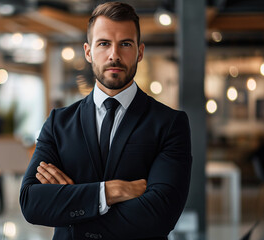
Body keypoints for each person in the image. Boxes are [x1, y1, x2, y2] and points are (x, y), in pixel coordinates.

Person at [19, 2, 192, 240]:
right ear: (88, 52)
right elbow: (31, 202)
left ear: (140, 52)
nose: (114, 55)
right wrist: (110, 191)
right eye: (103, 44)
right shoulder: (59, 123)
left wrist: (72, 213)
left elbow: (159, 215)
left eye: (125, 44)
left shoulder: (170, 124)